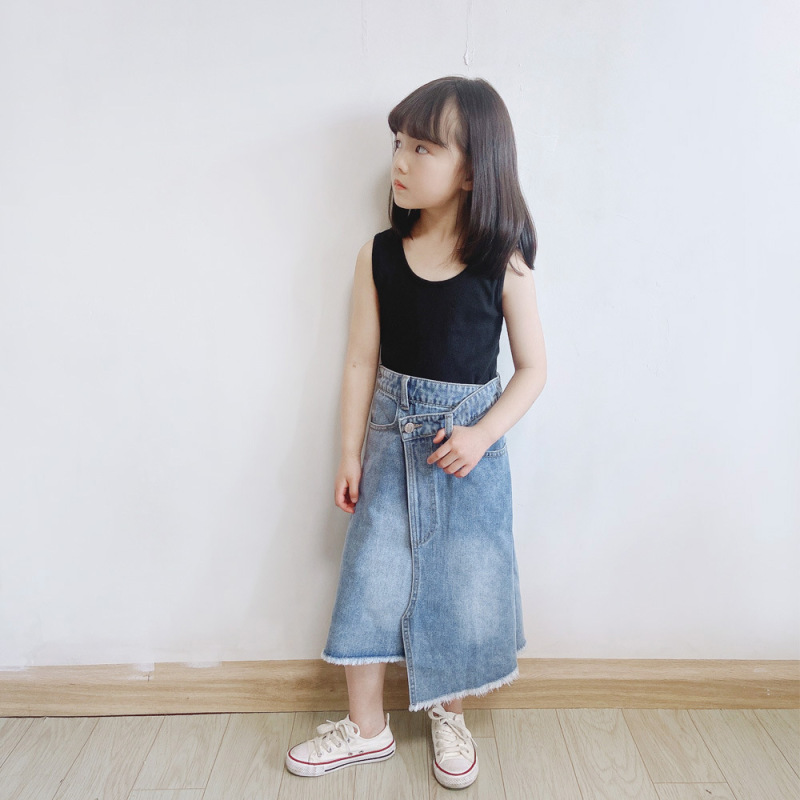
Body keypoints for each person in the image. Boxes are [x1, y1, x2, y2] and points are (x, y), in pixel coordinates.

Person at [285, 75, 546, 790]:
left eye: (423, 147)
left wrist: (481, 435)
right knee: (371, 579)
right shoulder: (377, 255)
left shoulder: (503, 261)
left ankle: (447, 715)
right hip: (389, 446)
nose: (400, 160)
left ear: (473, 171)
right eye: (398, 142)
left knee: (461, 586)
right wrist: (348, 453)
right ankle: (366, 727)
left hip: (464, 458)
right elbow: (360, 361)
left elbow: (532, 370)